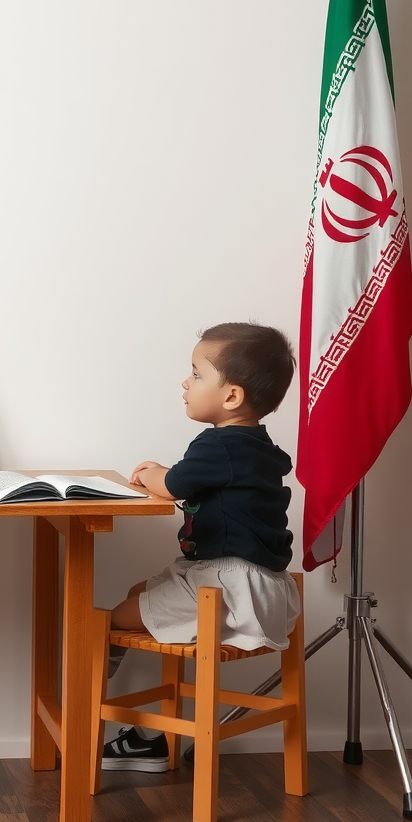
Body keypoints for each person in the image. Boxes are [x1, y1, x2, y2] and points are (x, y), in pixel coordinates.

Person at [102, 322, 300, 773]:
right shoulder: (255, 446)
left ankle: (95, 707)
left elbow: (172, 485)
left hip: (225, 588)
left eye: (195, 374)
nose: (184, 382)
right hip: (262, 589)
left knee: (111, 620)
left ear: (231, 396)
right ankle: (151, 738)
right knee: (138, 592)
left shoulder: (218, 443)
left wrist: (150, 473)